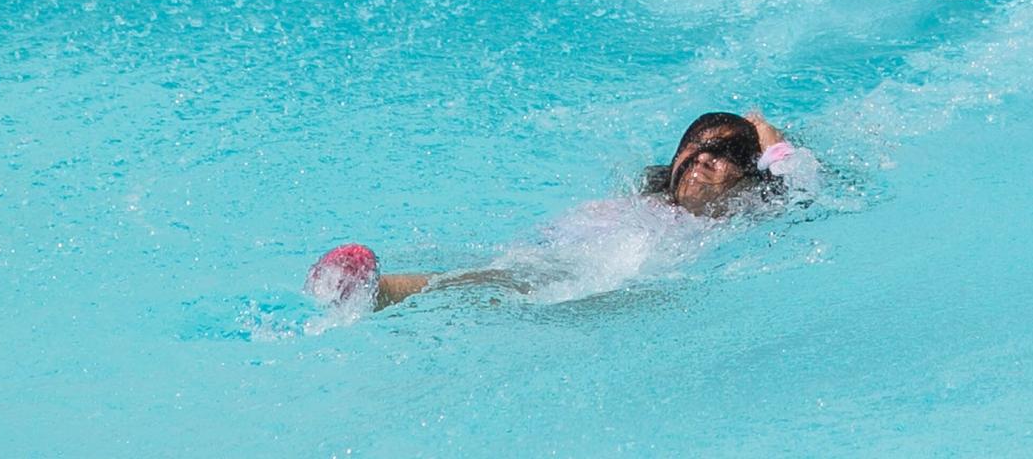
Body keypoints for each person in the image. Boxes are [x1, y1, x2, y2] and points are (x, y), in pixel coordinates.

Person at [304, 111, 818, 312]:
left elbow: (804, 187)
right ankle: (357, 289)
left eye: (726, 154)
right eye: (697, 145)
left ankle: (374, 292)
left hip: (600, 277)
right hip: (562, 254)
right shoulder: (645, 198)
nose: (706, 156)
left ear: (747, 176)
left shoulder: (735, 216)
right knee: (494, 275)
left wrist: (772, 143)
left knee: (499, 280)